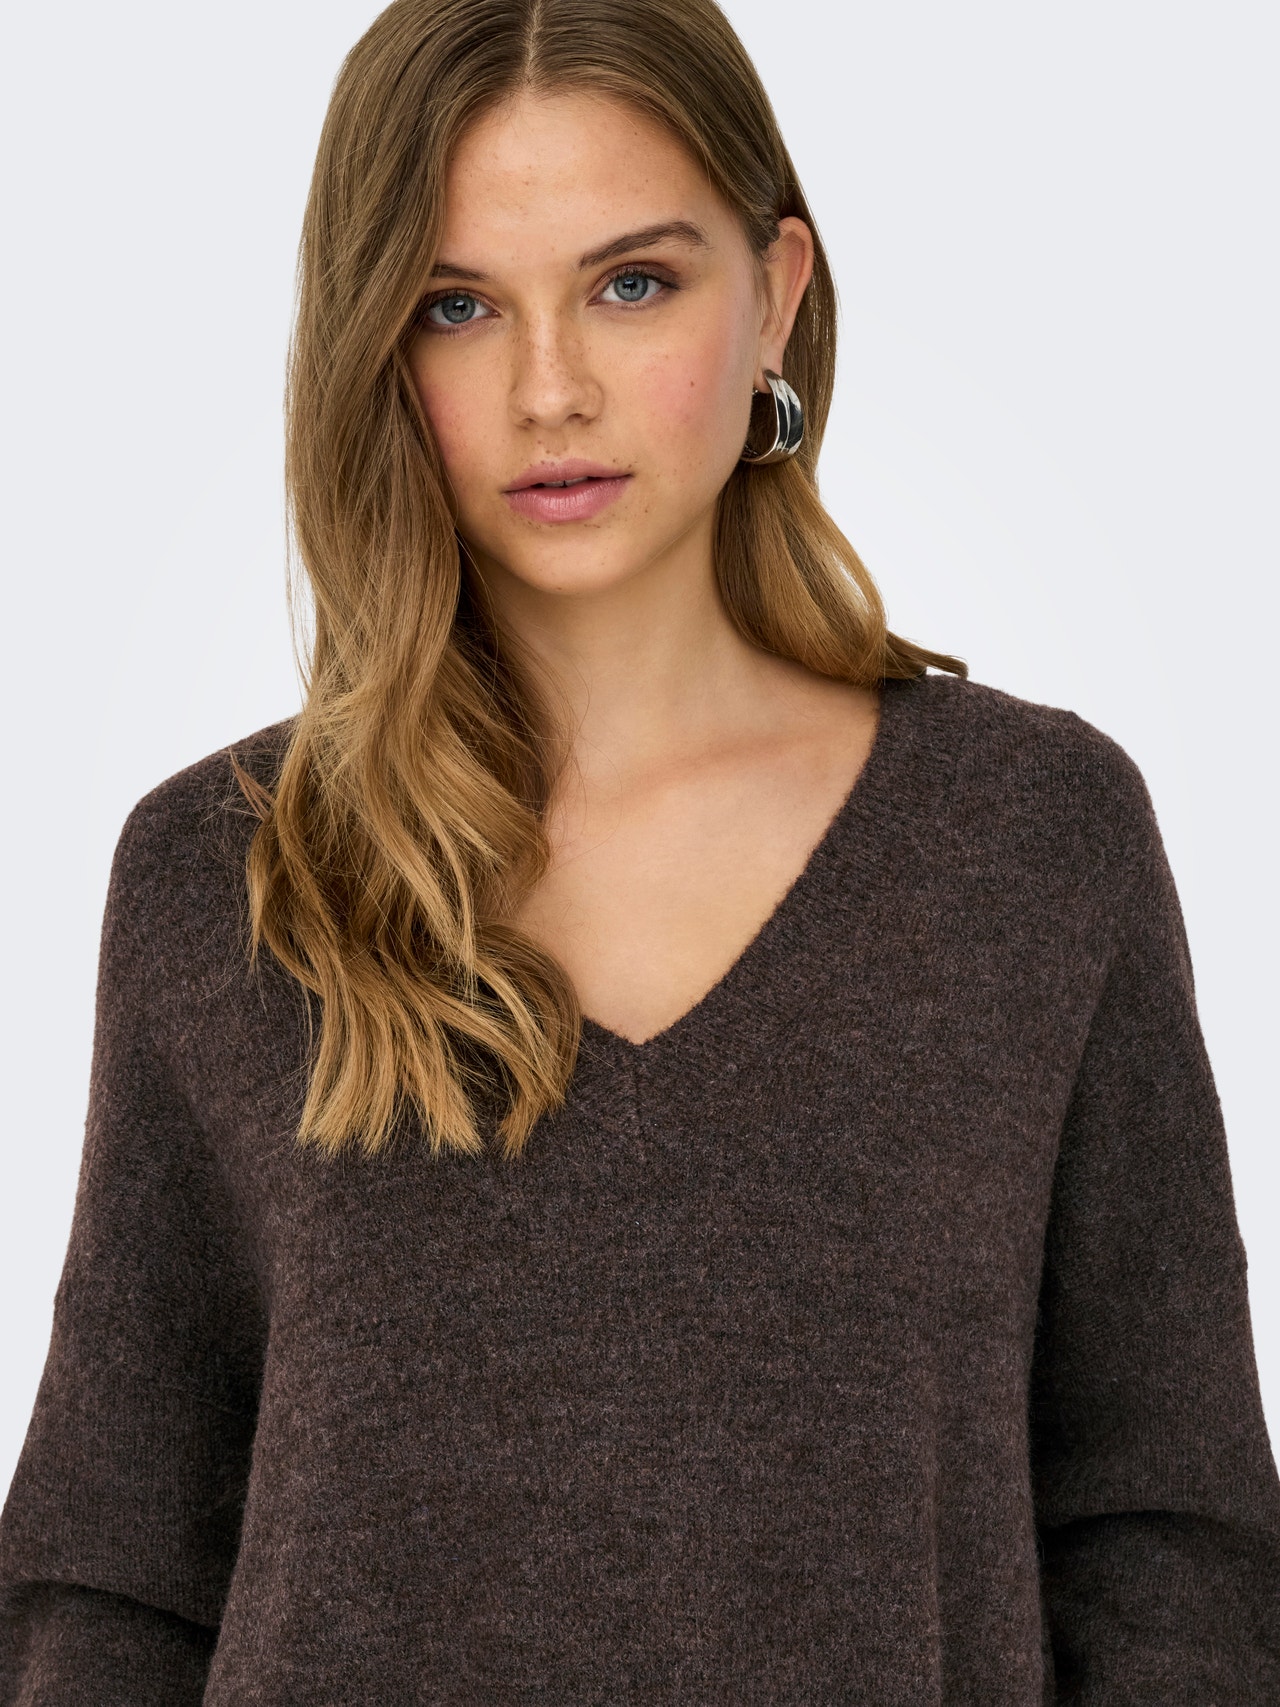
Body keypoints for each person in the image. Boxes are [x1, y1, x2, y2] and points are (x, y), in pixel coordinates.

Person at [2, 0, 1277, 1698]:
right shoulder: (234, 874)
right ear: (376, 345)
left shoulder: (1034, 848)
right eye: (458, 306)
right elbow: (108, 1587)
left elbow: (1174, 1542)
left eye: (632, 284)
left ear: (778, 295)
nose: (550, 390)